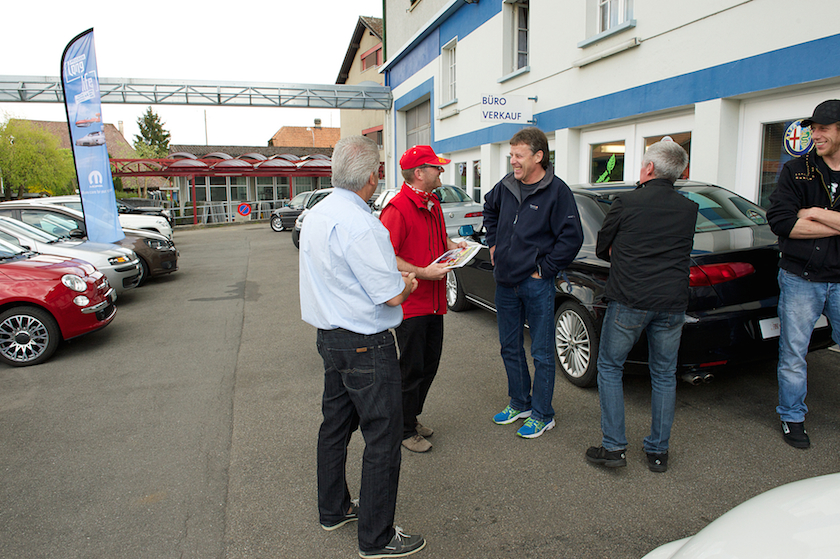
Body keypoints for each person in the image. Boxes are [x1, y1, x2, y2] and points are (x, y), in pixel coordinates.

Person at [299, 135, 426, 558]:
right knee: (383, 437)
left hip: (330, 338)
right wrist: (407, 284)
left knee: (335, 426)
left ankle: (332, 508)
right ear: (372, 177)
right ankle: (376, 537)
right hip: (364, 345)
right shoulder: (362, 223)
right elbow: (389, 294)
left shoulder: (317, 213)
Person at [585, 138, 698, 473]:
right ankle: (658, 452)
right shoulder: (689, 208)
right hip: (672, 302)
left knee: (609, 367)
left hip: (631, 300)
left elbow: (603, 247)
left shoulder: (627, 202)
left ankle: (614, 448)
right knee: (664, 374)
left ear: (649, 168)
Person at [483, 127, 584, 439]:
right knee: (509, 347)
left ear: (538, 156)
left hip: (536, 284)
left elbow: (572, 237)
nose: (513, 161)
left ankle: (542, 413)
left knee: (541, 352)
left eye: (518, 155)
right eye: (511, 155)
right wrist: (494, 245)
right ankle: (520, 402)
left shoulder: (557, 191)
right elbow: (490, 210)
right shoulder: (506, 185)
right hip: (505, 282)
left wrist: (545, 268)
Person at [380, 145, 468, 453]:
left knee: (428, 366)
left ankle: (410, 417)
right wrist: (422, 272)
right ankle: (404, 429)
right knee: (411, 370)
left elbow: (438, 240)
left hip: (434, 301)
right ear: (419, 173)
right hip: (412, 303)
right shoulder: (398, 208)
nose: (441, 171)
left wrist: (457, 246)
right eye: (436, 167)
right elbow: (386, 257)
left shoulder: (432, 203)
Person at [767, 99, 840, 449]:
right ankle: (792, 416)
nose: (816, 134)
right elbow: (782, 223)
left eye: (824, 128)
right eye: (813, 128)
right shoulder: (796, 170)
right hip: (800, 277)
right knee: (794, 354)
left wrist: (813, 212)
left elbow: (798, 221)